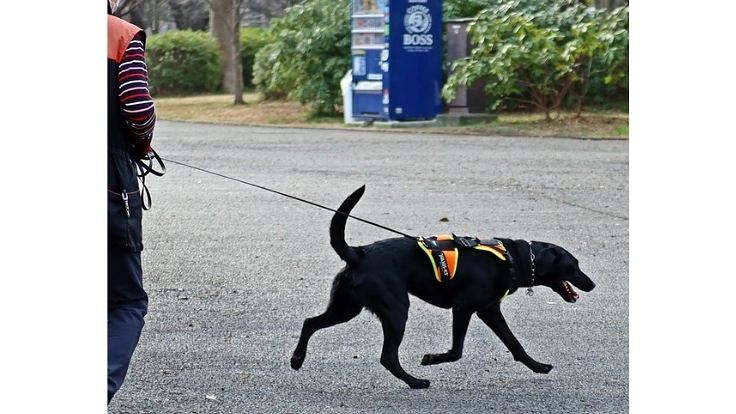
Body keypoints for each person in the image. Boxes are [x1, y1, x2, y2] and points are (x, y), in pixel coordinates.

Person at [107, 0, 157, 404]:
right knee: (127, 300)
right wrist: (141, 145)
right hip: (106, 184)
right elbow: (138, 110)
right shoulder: (119, 34)